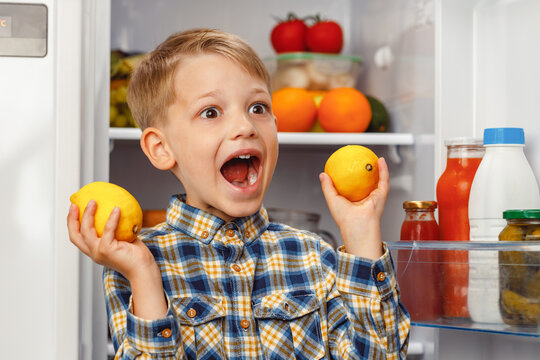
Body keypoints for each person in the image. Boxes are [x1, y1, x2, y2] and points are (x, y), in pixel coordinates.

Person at [67, 28, 410, 359]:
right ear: (161, 148)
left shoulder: (315, 256)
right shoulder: (135, 266)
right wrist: (143, 274)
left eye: (258, 108)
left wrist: (363, 236)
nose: (245, 126)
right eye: (211, 112)